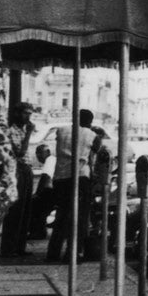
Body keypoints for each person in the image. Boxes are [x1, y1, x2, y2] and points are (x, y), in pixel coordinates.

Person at [47, 110, 97, 262]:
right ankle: (73, 253)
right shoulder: (91, 135)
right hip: (80, 177)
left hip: (60, 177)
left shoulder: (61, 131)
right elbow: (94, 154)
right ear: (89, 122)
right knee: (79, 218)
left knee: (61, 215)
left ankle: (53, 252)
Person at [0, 103, 35, 256]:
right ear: (17, 114)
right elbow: (20, 152)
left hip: (26, 169)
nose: (28, 117)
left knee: (26, 209)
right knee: (16, 210)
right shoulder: (11, 131)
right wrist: (29, 133)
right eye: (25, 113)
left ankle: (20, 246)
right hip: (17, 170)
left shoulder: (21, 130)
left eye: (29, 114)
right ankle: (9, 247)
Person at [29, 143, 54, 239]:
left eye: (40, 153)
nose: (38, 156)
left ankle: (38, 232)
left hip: (52, 191)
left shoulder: (50, 160)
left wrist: (37, 194)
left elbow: (45, 178)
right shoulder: (51, 160)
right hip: (54, 190)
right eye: (37, 153)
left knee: (34, 204)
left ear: (48, 152)